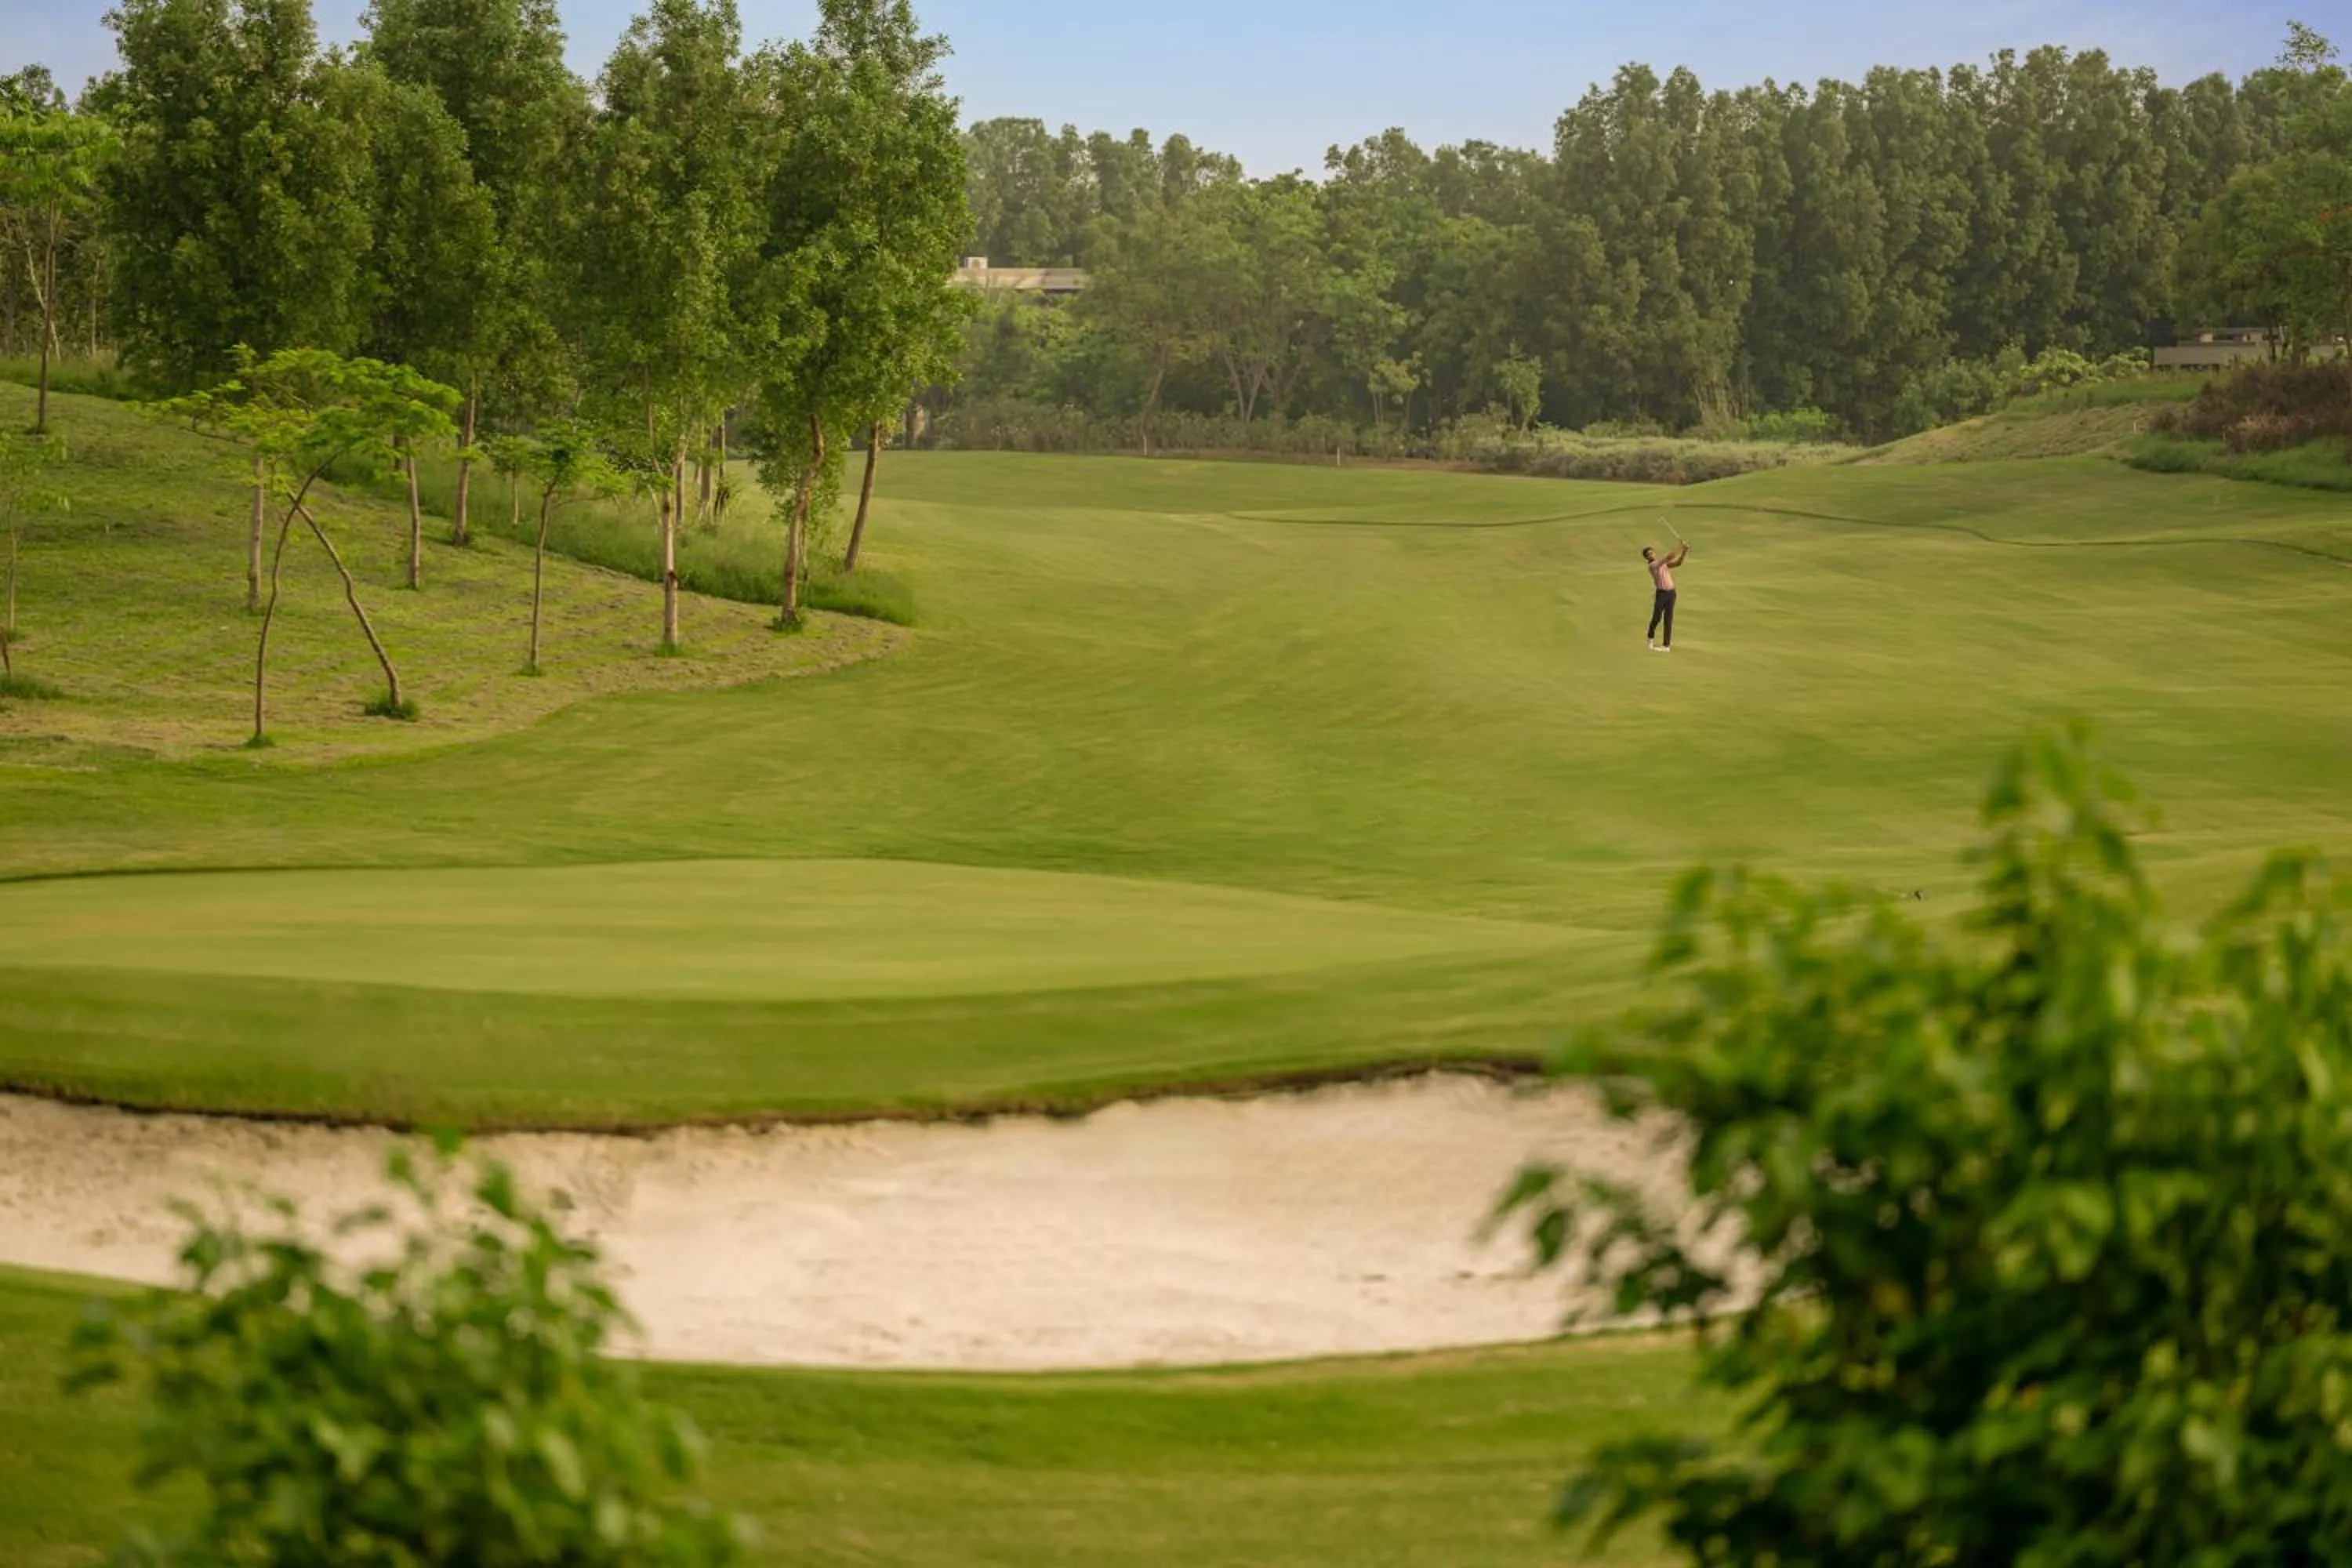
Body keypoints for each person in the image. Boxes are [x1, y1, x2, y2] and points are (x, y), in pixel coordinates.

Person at [1642, 541, 1688, 652]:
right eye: (1648, 555)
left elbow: (1678, 563)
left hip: (1671, 593)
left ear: (1655, 553)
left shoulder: (1662, 564)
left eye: (1652, 553)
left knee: (1668, 619)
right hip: (1661, 594)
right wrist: (1680, 547)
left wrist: (1684, 552)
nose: (1651, 555)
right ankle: (1650, 638)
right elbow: (1670, 556)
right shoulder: (1653, 566)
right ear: (1647, 558)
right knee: (1656, 618)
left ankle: (1666, 646)